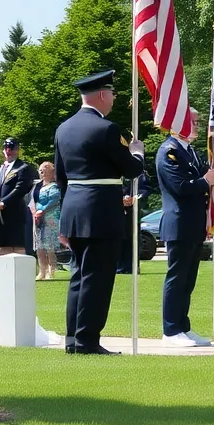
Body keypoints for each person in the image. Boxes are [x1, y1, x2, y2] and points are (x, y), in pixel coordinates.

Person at [53, 69, 145, 355]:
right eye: (113, 94)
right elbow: (131, 168)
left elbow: (60, 177)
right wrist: (138, 152)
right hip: (100, 211)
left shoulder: (63, 128)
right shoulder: (106, 129)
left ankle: (73, 338)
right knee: (98, 278)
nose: (114, 99)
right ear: (102, 95)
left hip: (74, 210)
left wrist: (64, 220)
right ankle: (87, 341)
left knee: (79, 276)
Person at [156, 108, 214, 347]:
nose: (197, 126)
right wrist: (204, 181)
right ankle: (170, 330)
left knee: (188, 279)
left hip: (193, 222)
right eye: (192, 122)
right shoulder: (169, 152)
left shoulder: (189, 151)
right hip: (179, 222)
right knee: (177, 277)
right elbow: (179, 186)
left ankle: (183, 326)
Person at [0, 137, 36, 257]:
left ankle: (20, 274)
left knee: (17, 246)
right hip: (0, 214)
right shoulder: (1, 168)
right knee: (3, 246)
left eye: (12, 148)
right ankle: (5, 275)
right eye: (6, 148)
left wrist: (4, 202)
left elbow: (20, 189)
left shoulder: (23, 167)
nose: (8, 151)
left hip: (16, 212)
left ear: (17, 150)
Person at [117, 170, 150, 275]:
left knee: (133, 239)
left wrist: (134, 199)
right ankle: (118, 267)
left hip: (133, 211)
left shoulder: (139, 172)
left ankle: (132, 266)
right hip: (115, 210)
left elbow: (145, 190)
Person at [33, 161, 62, 280]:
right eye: (40, 171)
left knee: (49, 245)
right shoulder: (37, 186)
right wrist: (34, 211)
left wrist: (42, 210)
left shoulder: (54, 186)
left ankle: (51, 270)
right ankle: (41, 271)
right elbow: (32, 200)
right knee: (39, 246)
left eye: (45, 170)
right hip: (37, 218)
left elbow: (54, 200)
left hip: (50, 217)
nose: (42, 173)